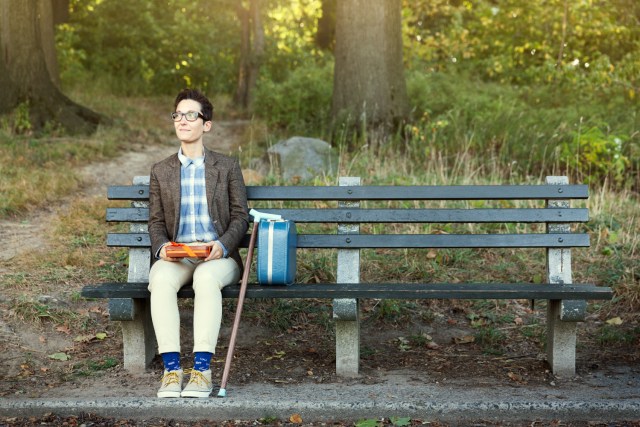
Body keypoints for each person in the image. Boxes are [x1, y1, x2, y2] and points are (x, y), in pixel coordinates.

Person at [147, 88, 249, 398]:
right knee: (160, 278)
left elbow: (240, 217)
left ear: (207, 125)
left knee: (206, 278)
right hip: (179, 256)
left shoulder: (227, 167)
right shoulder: (161, 170)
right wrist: (163, 247)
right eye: (178, 114)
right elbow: (155, 222)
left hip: (218, 257)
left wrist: (222, 244)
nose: (183, 120)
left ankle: (202, 370)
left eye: (192, 115)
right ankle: (172, 369)